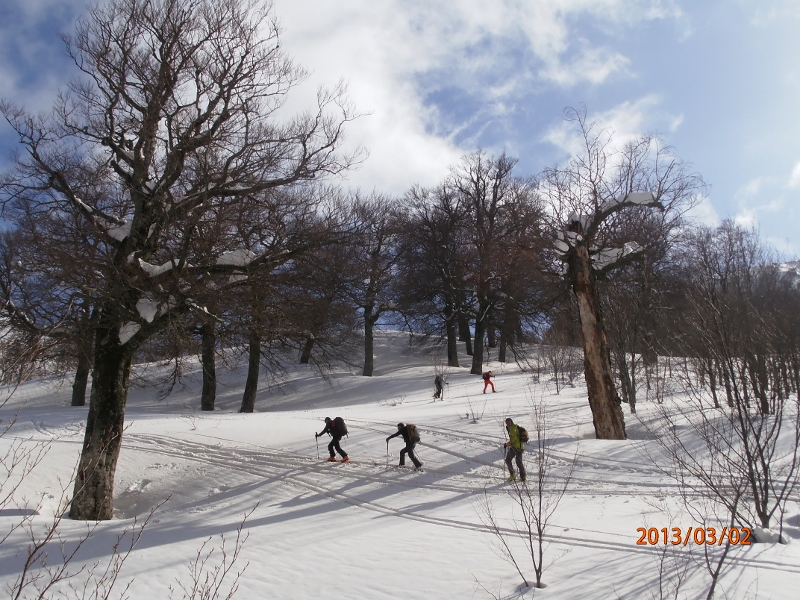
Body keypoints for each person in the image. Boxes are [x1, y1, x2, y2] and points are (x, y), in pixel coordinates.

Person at [504, 418, 526, 482]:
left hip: (515, 447)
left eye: (508, 422)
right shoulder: (516, 426)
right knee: (519, 462)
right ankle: (523, 476)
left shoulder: (512, 428)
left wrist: (507, 444)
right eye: (506, 423)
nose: (507, 424)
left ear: (511, 422)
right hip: (521, 447)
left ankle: (513, 475)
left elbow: (513, 439)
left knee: (508, 460)